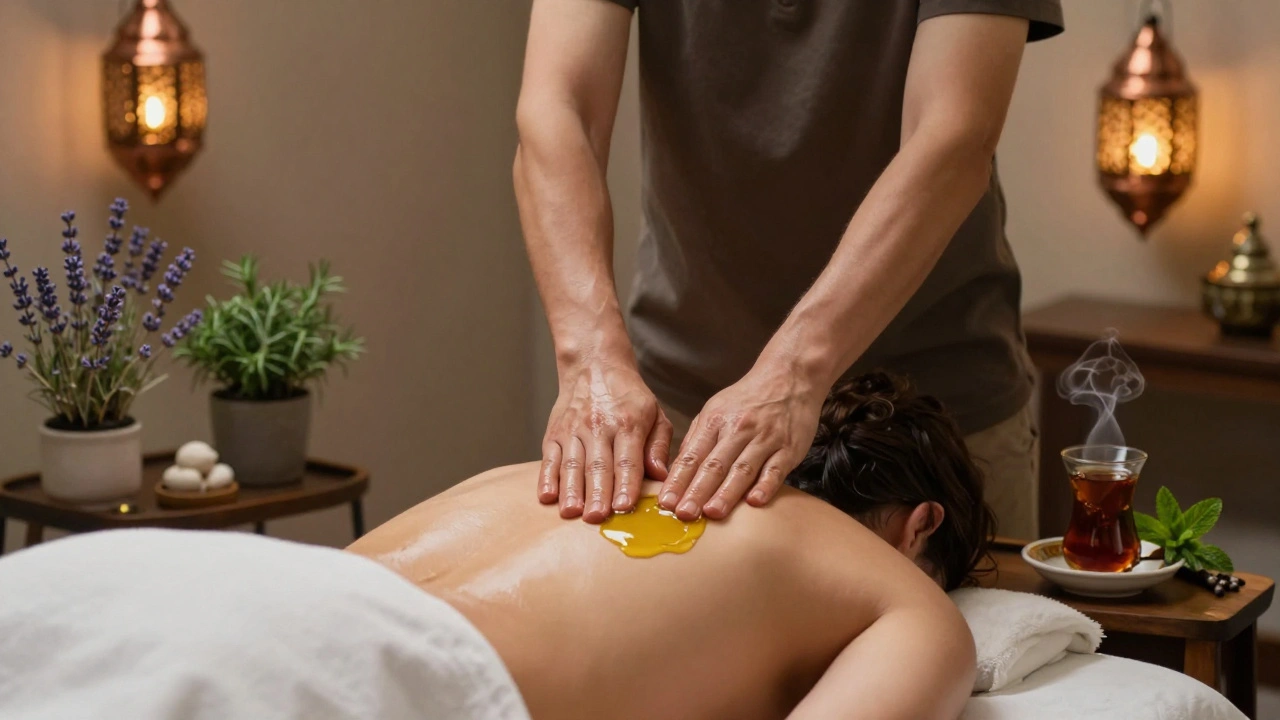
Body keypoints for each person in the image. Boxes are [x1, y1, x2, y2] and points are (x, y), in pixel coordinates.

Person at [0, 373, 993, 720]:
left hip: (162, 578)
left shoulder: (549, 478)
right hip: (366, 678)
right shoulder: (900, 595)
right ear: (921, 528)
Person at [514, 0, 1063, 539]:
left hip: (932, 428)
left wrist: (795, 371)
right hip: (686, 410)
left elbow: (952, 135)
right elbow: (559, 111)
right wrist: (590, 357)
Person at [346, 372, 995, 719]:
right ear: (920, 527)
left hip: (270, 592)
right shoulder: (903, 595)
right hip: (403, 690)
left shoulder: (581, 474)